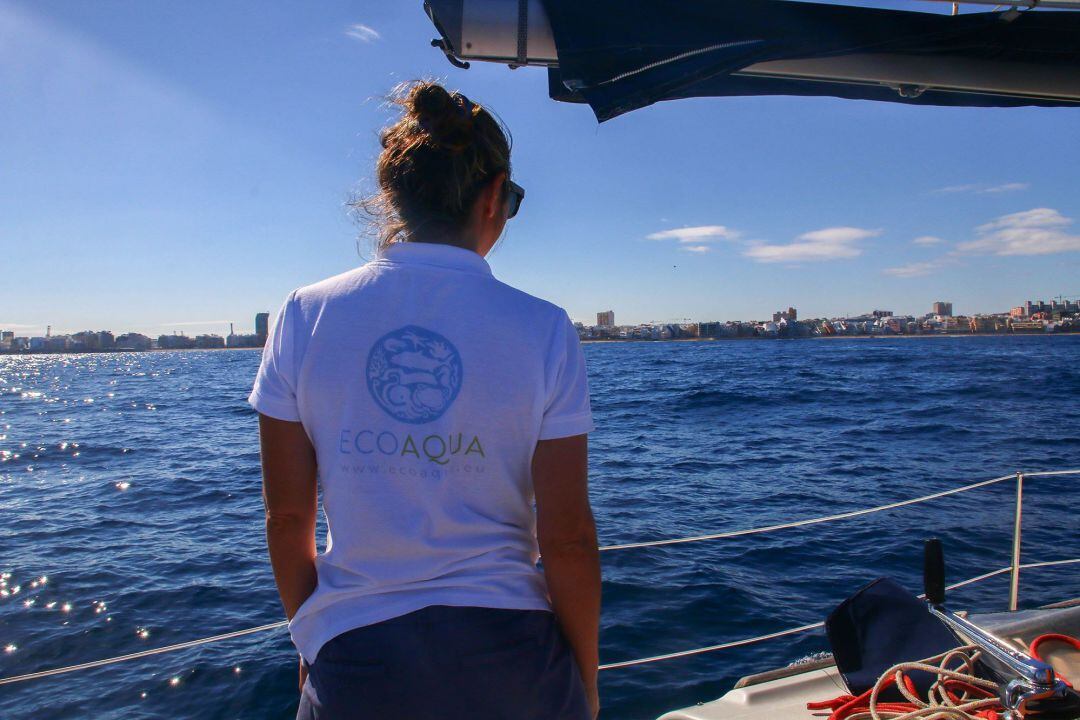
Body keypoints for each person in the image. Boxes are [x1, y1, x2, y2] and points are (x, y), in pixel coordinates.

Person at [248, 80, 601, 720]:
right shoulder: (544, 327)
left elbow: (286, 520)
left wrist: (317, 633)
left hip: (357, 662)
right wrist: (584, 681)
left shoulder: (304, 315)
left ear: (392, 196)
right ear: (494, 198)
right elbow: (569, 538)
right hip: (516, 664)